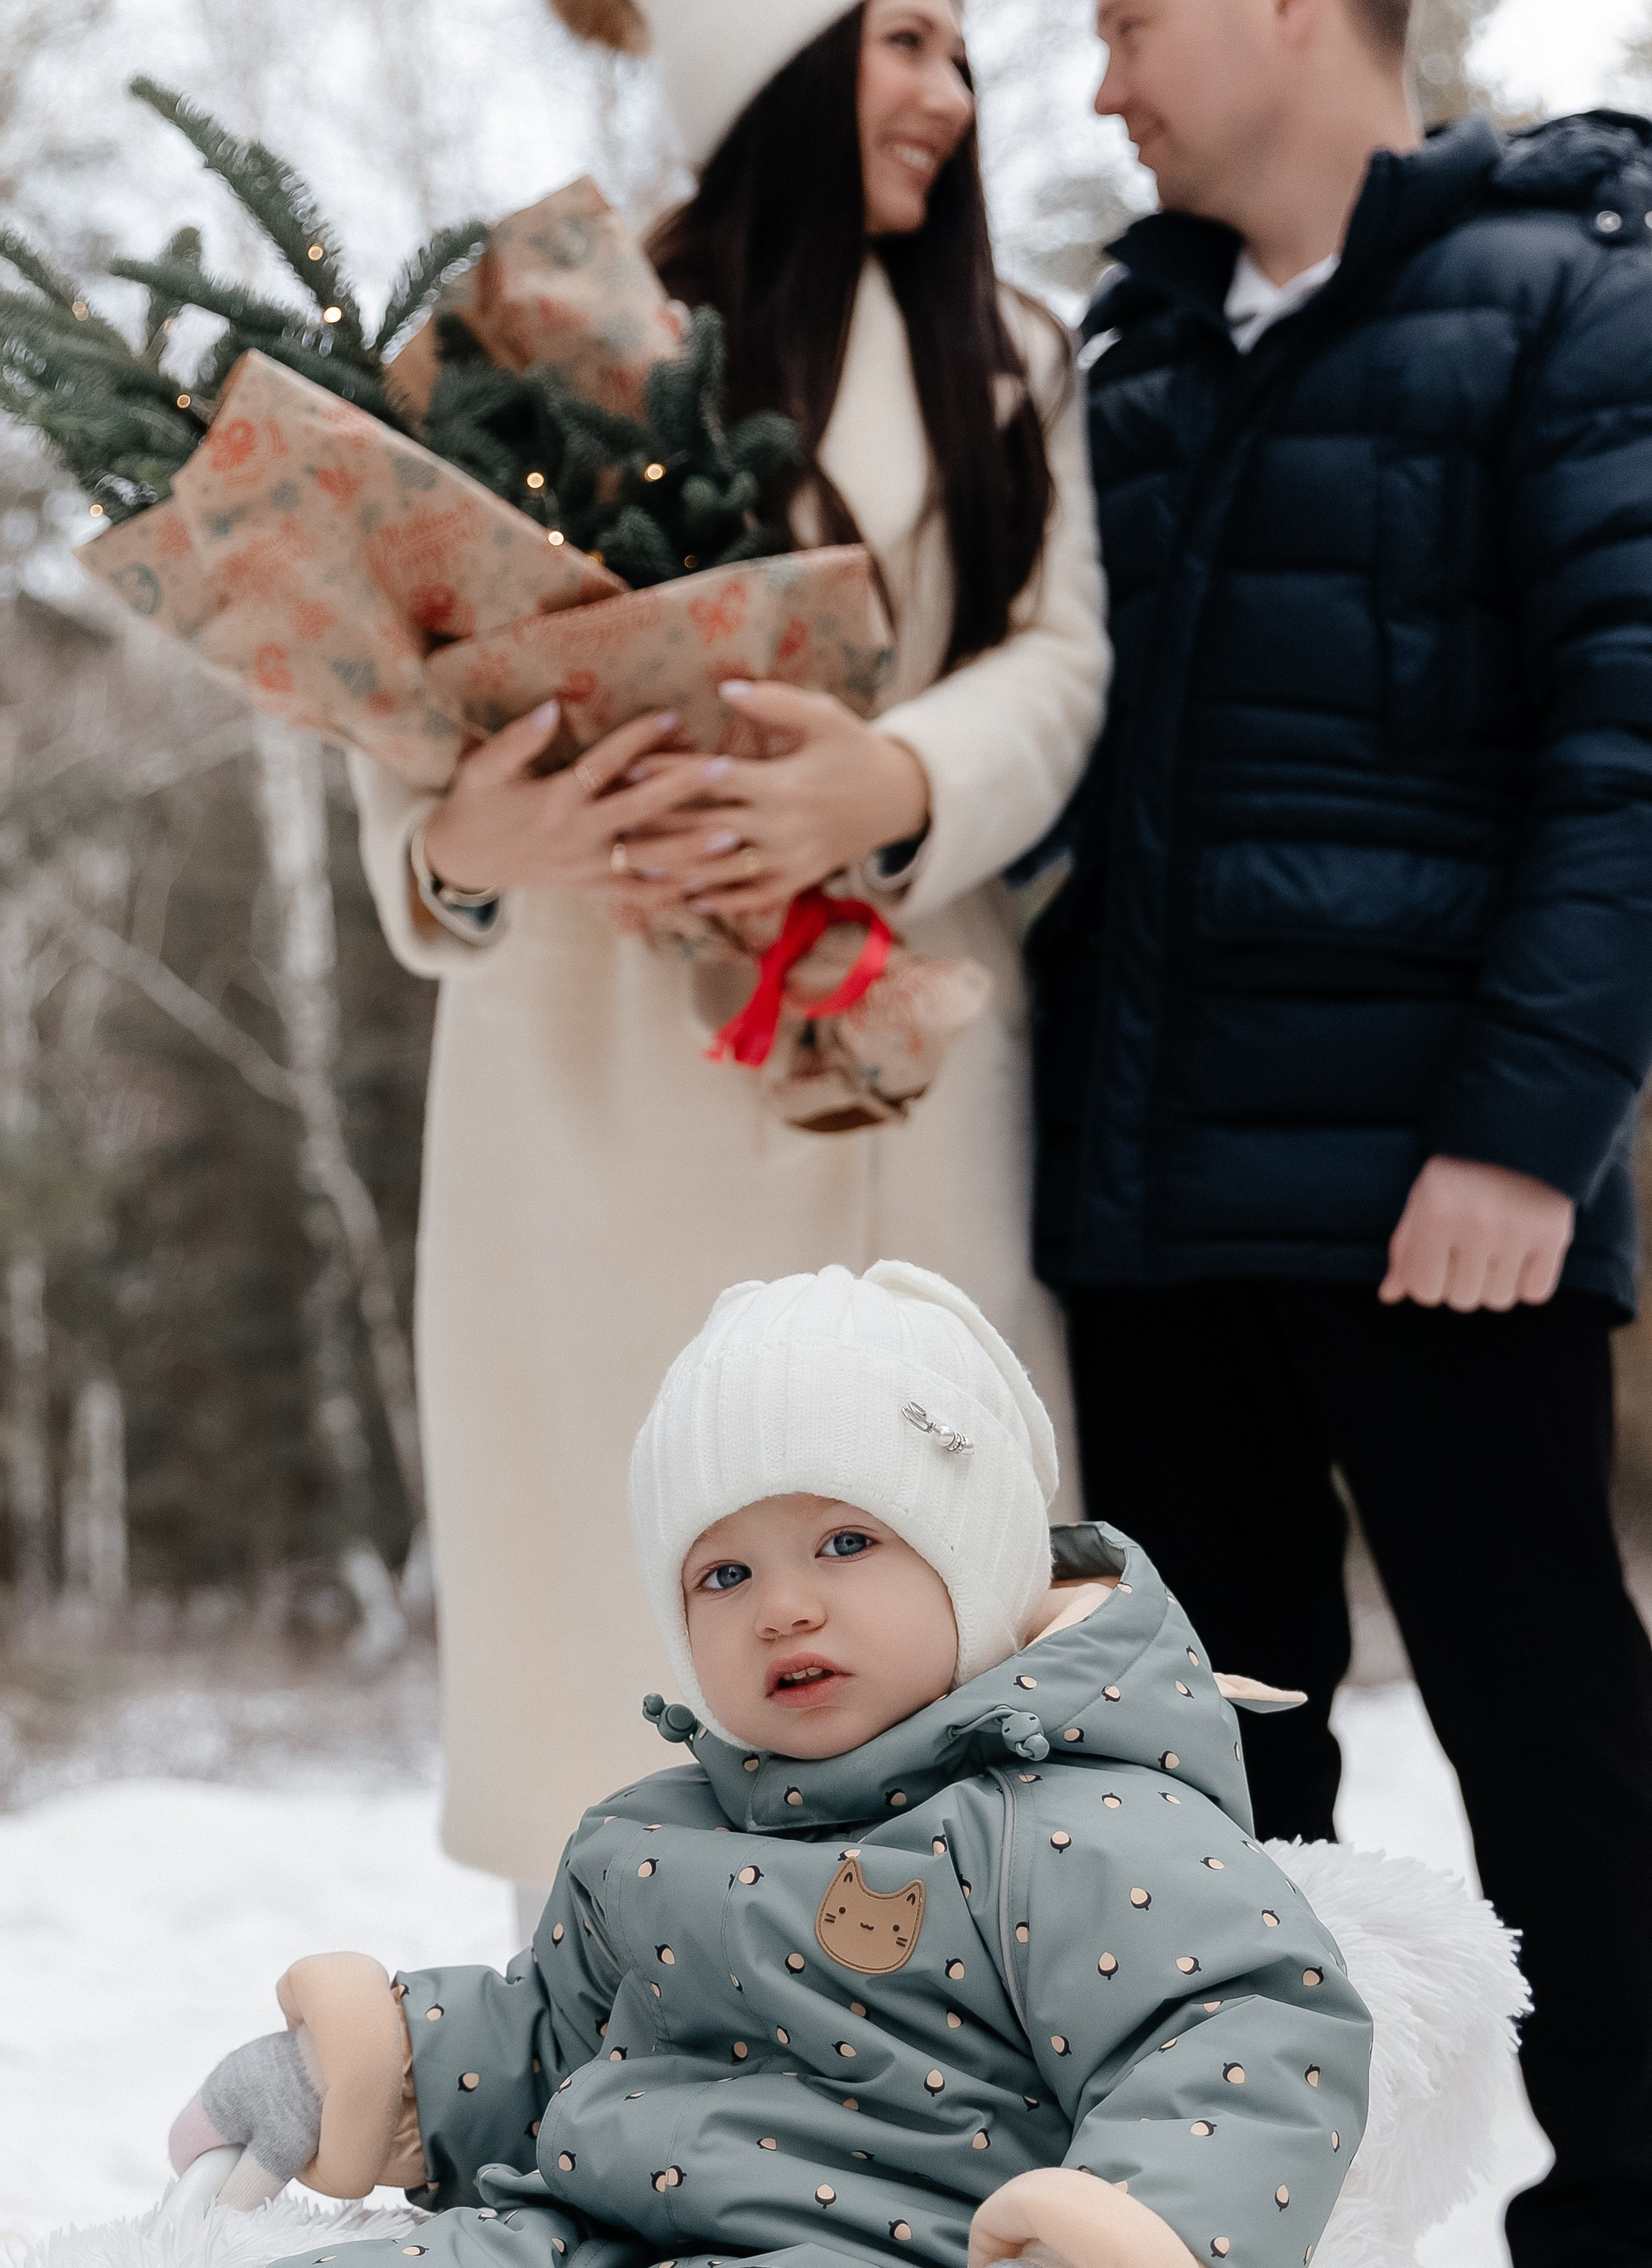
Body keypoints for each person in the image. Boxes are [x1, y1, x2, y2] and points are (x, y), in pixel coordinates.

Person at [0, 1264, 1367, 2268]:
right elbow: (547, 2037)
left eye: (845, 1542)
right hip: (579, 2251)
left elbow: (1242, 2048)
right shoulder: (654, 1831)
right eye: (721, 1569)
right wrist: (376, 2066)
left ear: (977, 1559)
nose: (781, 1605)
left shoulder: (1076, 1822)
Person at [1027, 0, 1652, 2268]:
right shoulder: (1137, 358)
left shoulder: (1569, 297)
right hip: (1155, 1182)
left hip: (1443, 1191)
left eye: (1129, 22)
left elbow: (1627, 742)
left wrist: (1529, 1130)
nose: (1100, 87)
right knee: (1208, 1770)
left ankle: (1629, 2258)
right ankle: (1216, 2261)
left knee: (1551, 1725)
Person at [345, 0, 1110, 1900]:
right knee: (620, 1591)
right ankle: (613, 2040)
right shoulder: (532, 339)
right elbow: (395, 694)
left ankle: (956, 2078)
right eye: (904, 40)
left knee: (937, 1545)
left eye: (960, 52)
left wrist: (894, 781)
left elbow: (1066, 651)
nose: (950, 95)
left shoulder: (1011, 357)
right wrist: (462, 842)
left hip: (901, 1043)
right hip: (596, 1072)